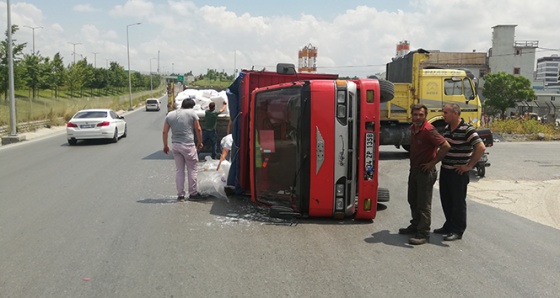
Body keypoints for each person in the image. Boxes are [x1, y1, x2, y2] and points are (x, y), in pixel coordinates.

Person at [399, 104, 451, 245]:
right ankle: (415, 225)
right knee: (413, 200)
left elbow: (446, 146)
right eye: (415, 114)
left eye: (421, 115)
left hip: (425, 172)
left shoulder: (429, 130)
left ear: (425, 116)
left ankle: (423, 233)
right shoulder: (413, 128)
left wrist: (432, 163)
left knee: (423, 204)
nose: (418, 117)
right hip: (414, 170)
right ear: (412, 115)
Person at [435, 103, 486, 241]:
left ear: (455, 113)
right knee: (446, 200)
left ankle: (457, 230)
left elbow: (480, 147)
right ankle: (448, 225)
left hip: (458, 173)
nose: (443, 115)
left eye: (446, 112)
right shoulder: (447, 128)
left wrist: (469, 166)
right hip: (446, 170)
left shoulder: (466, 129)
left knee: (458, 202)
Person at [163, 98, 204, 202]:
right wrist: (200, 142)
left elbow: (165, 132)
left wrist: (165, 145)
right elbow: (198, 129)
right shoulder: (192, 113)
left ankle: (180, 194)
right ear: (191, 106)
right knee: (192, 169)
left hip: (176, 145)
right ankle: (193, 193)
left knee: (179, 170)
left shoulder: (170, 115)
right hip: (188, 145)